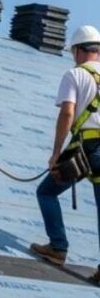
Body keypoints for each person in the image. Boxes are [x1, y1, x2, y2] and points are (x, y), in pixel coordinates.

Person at [31, 25, 100, 283]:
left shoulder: (75, 75)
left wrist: (56, 152)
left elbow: (67, 113)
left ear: (79, 51)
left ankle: (58, 247)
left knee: (46, 192)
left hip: (88, 147)